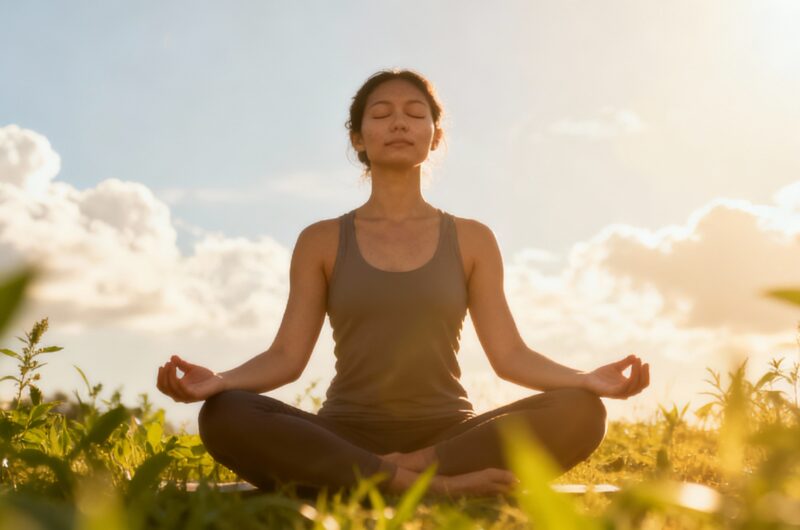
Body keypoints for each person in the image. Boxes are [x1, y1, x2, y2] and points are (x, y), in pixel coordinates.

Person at [156, 68, 650, 498]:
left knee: (581, 412)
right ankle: (433, 487)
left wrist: (585, 380)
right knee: (225, 415)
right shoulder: (321, 240)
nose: (399, 123)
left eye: (415, 113)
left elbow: (510, 356)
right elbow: (286, 356)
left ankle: (392, 472)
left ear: (435, 137)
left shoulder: (473, 239)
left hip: (449, 437)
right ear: (357, 138)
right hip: (344, 433)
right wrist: (221, 382)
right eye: (381, 113)